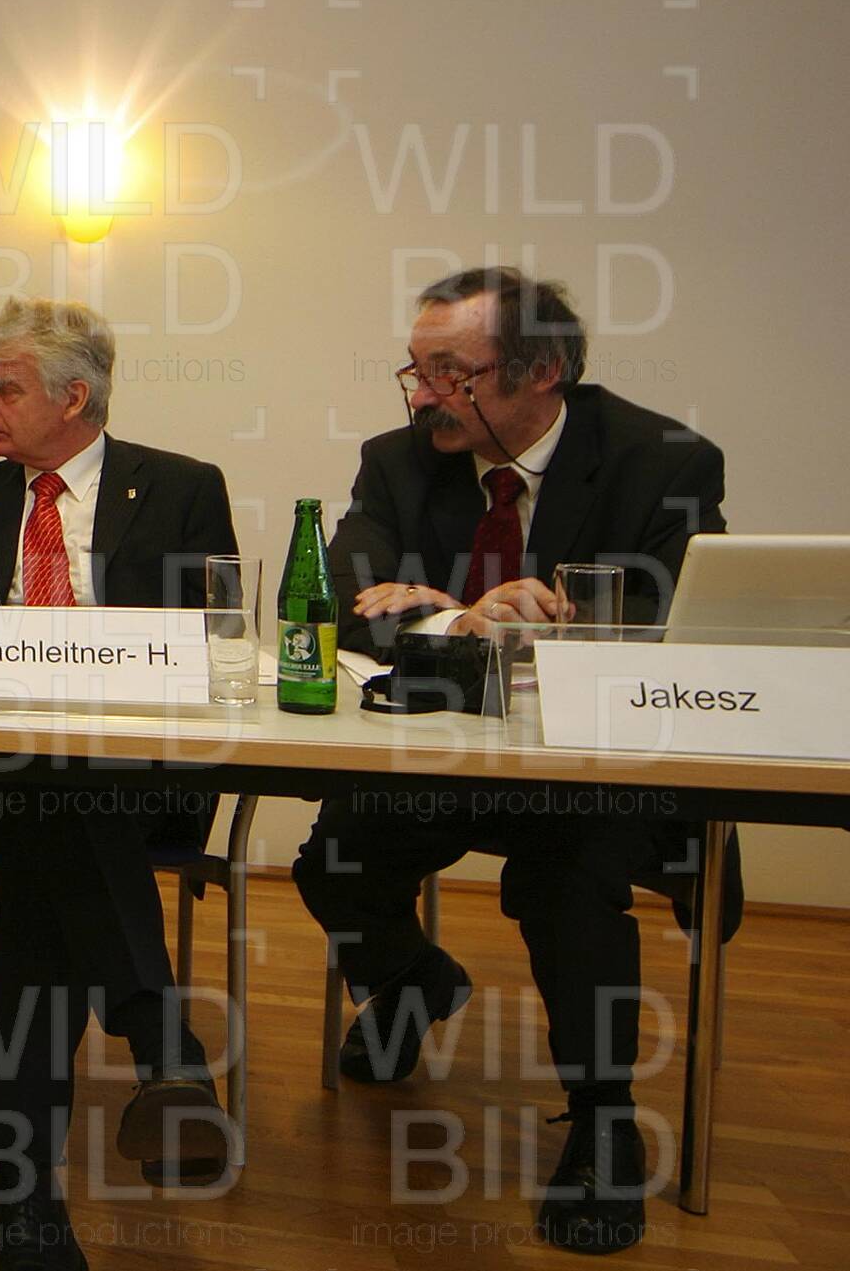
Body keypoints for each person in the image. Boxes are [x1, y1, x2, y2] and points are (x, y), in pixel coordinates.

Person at [292, 266, 730, 1256]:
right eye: (416, 371)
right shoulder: (399, 460)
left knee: (564, 880)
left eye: (452, 373)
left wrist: (503, 623)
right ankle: (413, 978)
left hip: (594, 764)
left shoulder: (660, 461)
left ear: (543, 372)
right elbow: (347, 602)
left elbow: (674, 627)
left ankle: (604, 1119)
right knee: (334, 858)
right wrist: (464, 618)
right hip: (446, 755)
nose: (424, 397)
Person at [0, 298, 239, 1271]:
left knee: (46, 867)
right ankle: (163, 1047)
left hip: (138, 775)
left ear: (73, 396)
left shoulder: (181, 487)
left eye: (3, 388)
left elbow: (217, 639)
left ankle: (25, 1196)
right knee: (52, 800)